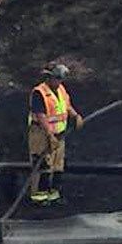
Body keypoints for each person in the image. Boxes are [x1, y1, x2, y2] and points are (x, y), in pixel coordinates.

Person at [27, 62, 83, 206]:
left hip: (59, 134)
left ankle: (53, 195)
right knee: (43, 165)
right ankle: (39, 197)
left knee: (57, 165)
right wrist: (49, 135)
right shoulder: (39, 92)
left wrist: (76, 116)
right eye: (57, 79)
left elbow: (66, 106)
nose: (59, 82)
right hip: (41, 134)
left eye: (61, 79)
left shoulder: (61, 90)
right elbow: (41, 115)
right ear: (49, 78)